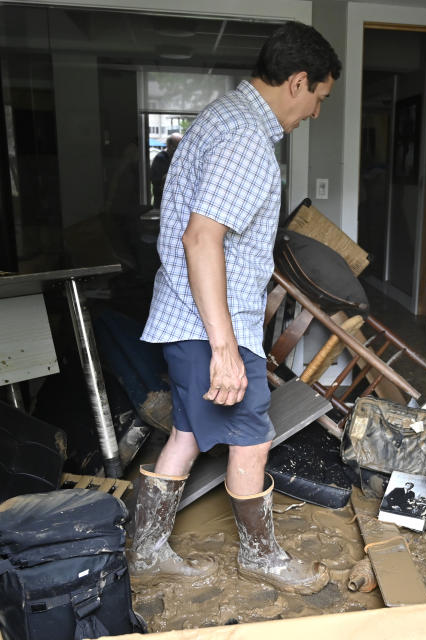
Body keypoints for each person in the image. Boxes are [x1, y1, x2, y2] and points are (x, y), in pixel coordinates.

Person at [130, 21, 341, 595]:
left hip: (189, 316)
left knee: (188, 433)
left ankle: (146, 550)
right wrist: (225, 348)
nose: (316, 112)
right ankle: (262, 556)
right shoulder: (247, 140)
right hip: (209, 325)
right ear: (297, 82)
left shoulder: (221, 119)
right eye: (319, 98)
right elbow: (201, 239)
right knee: (252, 435)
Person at [149, 133, 182, 208]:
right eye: (178, 146)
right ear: (170, 146)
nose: (181, 150)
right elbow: (159, 180)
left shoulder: (177, 158)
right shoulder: (160, 158)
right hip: (162, 203)